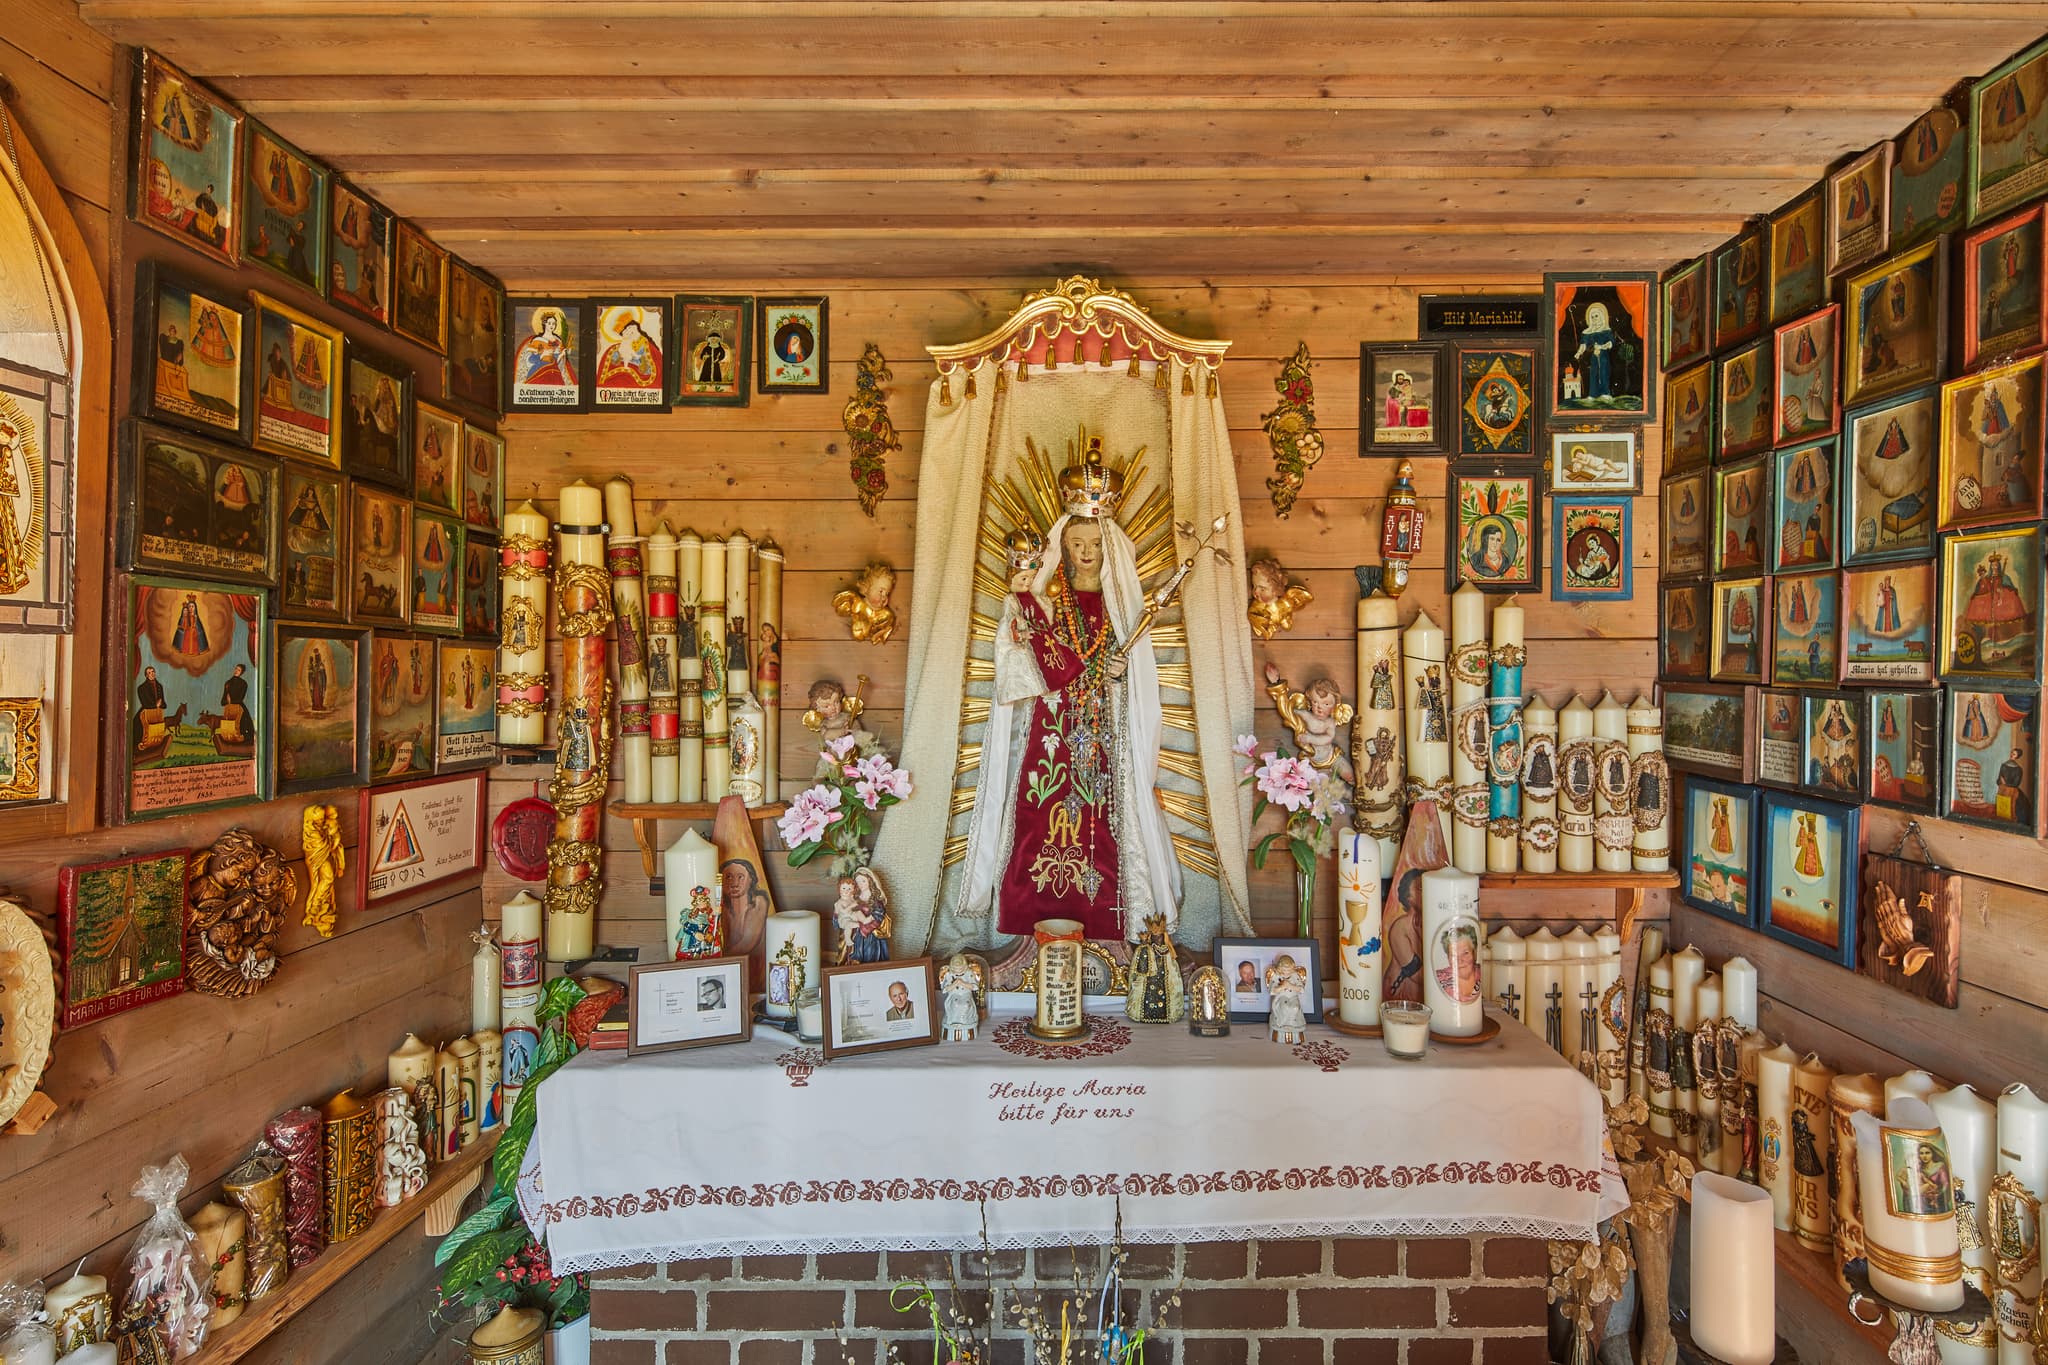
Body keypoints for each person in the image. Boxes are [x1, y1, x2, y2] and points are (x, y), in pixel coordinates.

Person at [960, 438, 1181, 942]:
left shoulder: (1121, 605)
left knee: (1105, 818)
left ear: (1110, 548)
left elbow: (1137, 677)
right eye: (1077, 543)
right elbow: (1017, 663)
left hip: (1104, 726)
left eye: (1095, 544)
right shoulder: (1045, 599)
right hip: (1052, 725)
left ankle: (1108, 921)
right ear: (1062, 546)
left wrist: (1121, 671)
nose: (1085, 553)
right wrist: (1024, 621)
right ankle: (1031, 922)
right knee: (1038, 815)